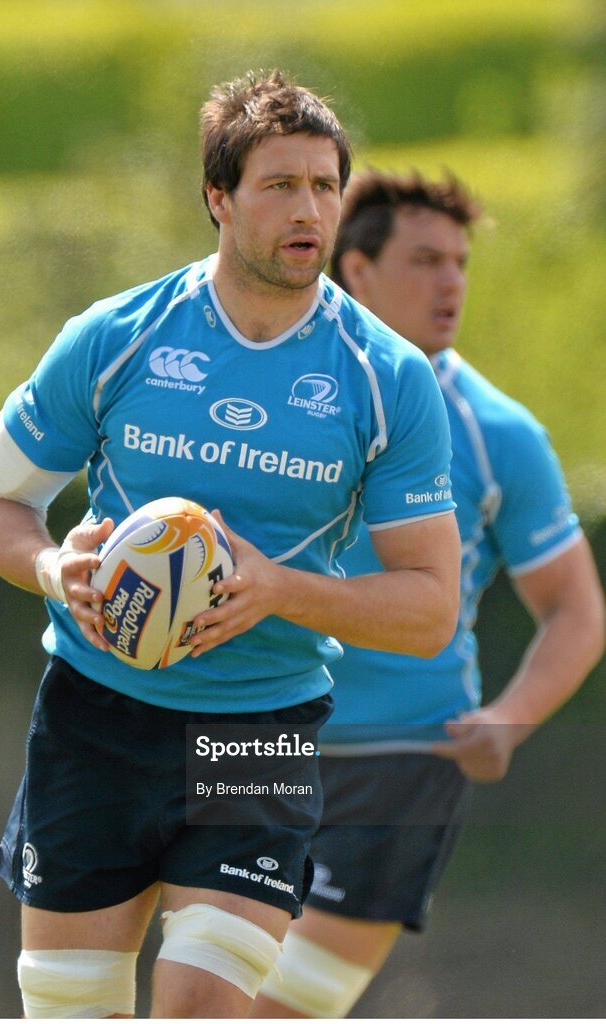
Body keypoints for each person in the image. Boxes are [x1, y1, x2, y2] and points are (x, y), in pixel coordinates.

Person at [0, 77, 462, 1020]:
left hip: (259, 729)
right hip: (94, 720)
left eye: (325, 185)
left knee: (201, 1007)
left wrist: (277, 588)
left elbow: (430, 605)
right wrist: (50, 568)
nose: (309, 208)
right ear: (219, 200)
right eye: (280, 186)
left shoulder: (387, 378)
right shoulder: (118, 336)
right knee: (73, 1011)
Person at [253, 169, 605, 1019]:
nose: (450, 282)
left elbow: (577, 609)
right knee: (198, 992)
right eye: (424, 260)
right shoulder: (263, 394)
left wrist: (510, 717)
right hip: (252, 740)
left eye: (459, 261)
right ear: (356, 269)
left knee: (283, 1010)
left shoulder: (499, 434)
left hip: (401, 762)